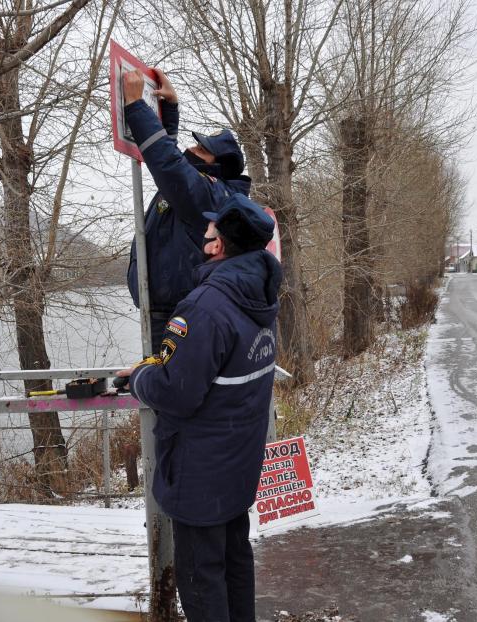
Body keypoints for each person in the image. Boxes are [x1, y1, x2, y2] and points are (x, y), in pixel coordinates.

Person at [117, 193, 282, 622]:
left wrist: (140, 376)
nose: (203, 238)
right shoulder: (260, 300)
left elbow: (174, 391)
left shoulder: (205, 307)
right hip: (237, 464)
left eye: (209, 233)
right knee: (233, 560)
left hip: (199, 474)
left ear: (217, 247)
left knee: (201, 578)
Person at [121, 68, 252, 349]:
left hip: (178, 316)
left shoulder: (214, 196)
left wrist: (136, 107)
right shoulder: (197, 188)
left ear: (217, 166)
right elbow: (171, 158)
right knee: (169, 385)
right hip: (168, 312)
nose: (193, 148)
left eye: (203, 149)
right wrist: (169, 107)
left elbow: (170, 165)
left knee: (173, 389)